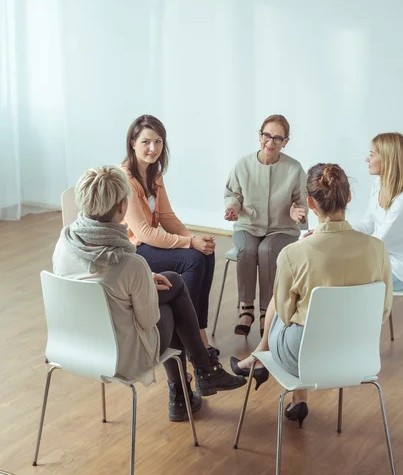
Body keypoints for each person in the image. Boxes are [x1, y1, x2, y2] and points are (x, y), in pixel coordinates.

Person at [52, 166, 246, 422]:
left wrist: (142, 282)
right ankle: (195, 378)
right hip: (122, 354)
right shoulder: (129, 264)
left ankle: (191, 383)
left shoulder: (64, 244)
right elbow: (147, 320)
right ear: (122, 208)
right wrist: (141, 283)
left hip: (74, 345)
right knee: (171, 307)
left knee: (173, 282)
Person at [230, 163, 392, 426]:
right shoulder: (377, 249)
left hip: (304, 359)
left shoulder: (295, 254)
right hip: (359, 356)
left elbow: (284, 314)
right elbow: (383, 311)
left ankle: (262, 362)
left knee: (284, 302)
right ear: (349, 197)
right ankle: (296, 399)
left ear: (310, 203)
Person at [121, 114, 216, 349]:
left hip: (149, 245)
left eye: (159, 141)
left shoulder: (154, 173)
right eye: (146, 142)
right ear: (133, 143)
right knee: (193, 260)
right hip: (133, 250)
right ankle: (187, 335)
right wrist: (189, 243)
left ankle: (198, 330)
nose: (153, 148)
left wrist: (194, 240)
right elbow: (143, 233)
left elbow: (166, 217)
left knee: (206, 252)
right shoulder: (125, 178)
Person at [224, 114, 308, 337]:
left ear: (285, 142)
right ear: (260, 135)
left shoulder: (294, 169)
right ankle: (247, 308)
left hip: (282, 229)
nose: (270, 143)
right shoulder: (243, 164)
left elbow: (302, 202)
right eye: (266, 136)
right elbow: (233, 193)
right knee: (247, 249)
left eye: (277, 139)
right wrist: (233, 207)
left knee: (267, 250)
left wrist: (297, 212)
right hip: (247, 225)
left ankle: (266, 312)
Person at [351, 132, 403, 291]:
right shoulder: (378, 184)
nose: (367, 159)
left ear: (388, 160)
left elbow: (376, 244)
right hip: (379, 259)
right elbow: (368, 224)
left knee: (337, 272)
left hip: (398, 271)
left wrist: (334, 241)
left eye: (372, 154)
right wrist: (332, 230)